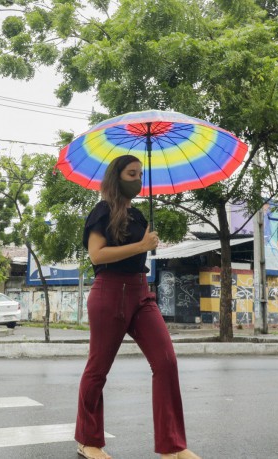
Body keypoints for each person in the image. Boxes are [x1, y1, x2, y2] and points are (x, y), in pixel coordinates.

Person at [75, 155, 200, 459]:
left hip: (140, 293)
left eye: (141, 175)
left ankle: (173, 445)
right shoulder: (101, 212)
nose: (138, 180)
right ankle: (88, 440)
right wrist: (141, 246)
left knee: (166, 361)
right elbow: (97, 256)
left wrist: (149, 241)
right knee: (98, 369)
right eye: (132, 174)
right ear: (116, 178)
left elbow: (140, 252)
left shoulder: (140, 216)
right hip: (109, 293)